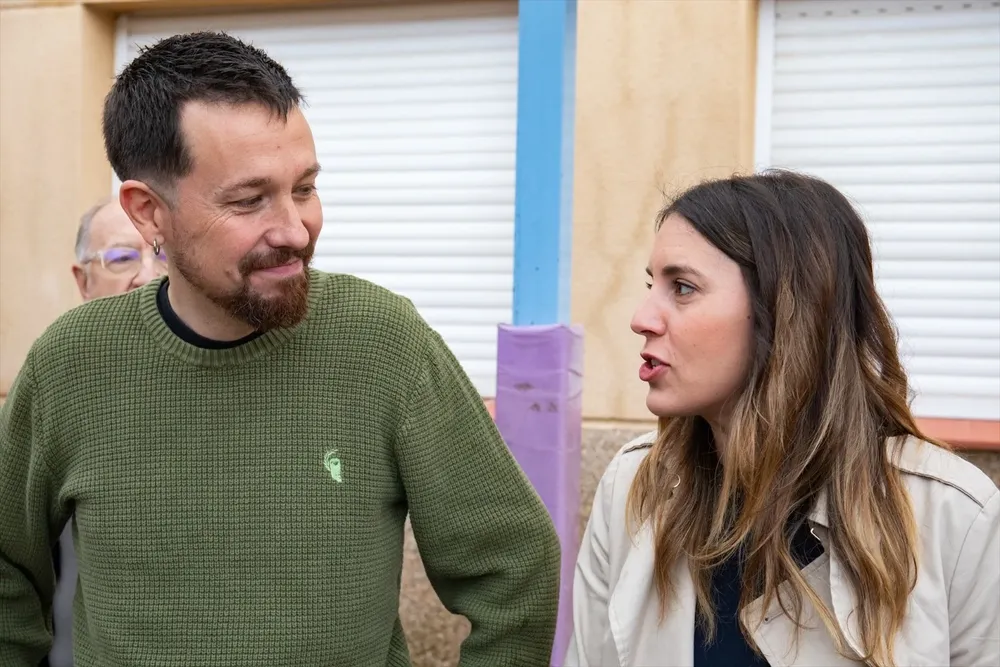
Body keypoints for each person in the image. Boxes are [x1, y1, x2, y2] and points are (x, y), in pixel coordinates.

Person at [0, 31, 560, 666]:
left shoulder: (382, 343)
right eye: (248, 200)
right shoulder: (69, 364)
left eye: (304, 188)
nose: (295, 229)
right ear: (148, 212)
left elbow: (514, 567)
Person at [567, 171, 1000, 667]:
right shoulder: (632, 487)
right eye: (652, 285)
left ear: (787, 309)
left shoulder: (953, 514)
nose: (641, 317)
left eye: (682, 287)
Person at [45, 198, 169, 667]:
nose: (147, 274)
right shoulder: (53, 390)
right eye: (121, 258)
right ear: (83, 281)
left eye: (162, 253)